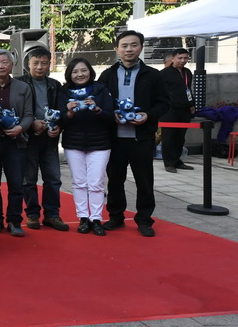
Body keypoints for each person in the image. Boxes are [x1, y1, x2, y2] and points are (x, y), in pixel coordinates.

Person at [97, 30, 170, 237]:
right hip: (115, 138)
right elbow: (101, 102)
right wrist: (111, 115)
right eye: (124, 46)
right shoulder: (108, 75)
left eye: (133, 45)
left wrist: (148, 115)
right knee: (115, 180)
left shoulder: (153, 75)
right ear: (117, 49)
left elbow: (164, 102)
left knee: (144, 181)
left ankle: (144, 220)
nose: (129, 49)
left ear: (141, 47)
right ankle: (116, 217)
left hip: (142, 138)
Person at [58, 58, 116, 236]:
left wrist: (97, 109)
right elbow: (59, 119)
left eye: (83, 70)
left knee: (96, 183)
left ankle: (96, 218)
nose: (80, 74)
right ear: (69, 74)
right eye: (75, 71)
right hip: (73, 143)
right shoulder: (64, 91)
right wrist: (69, 112)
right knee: (79, 182)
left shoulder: (101, 89)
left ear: (90, 71)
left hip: (100, 143)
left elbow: (111, 117)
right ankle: (83, 217)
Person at [0, 48, 34, 237]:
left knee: (16, 183)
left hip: (15, 141)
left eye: (4, 62)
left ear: (12, 65)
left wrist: (20, 128)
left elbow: (29, 115)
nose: (0, 66)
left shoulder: (23, 87)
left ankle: (14, 220)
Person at [17, 47, 68, 232]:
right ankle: (32, 214)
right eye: (36, 63)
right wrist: (30, 122)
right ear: (28, 63)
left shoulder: (55, 85)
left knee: (53, 178)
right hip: (28, 138)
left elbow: (62, 110)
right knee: (28, 179)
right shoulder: (19, 83)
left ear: (49, 64)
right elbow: (16, 109)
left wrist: (59, 126)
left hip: (49, 139)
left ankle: (52, 214)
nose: (40, 67)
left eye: (44, 63)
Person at [160, 47, 195, 172]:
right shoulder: (164, 73)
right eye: (180, 58)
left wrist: (191, 104)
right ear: (173, 58)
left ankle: (177, 160)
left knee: (180, 137)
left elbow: (188, 90)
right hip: (170, 110)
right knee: (169, 136)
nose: (183, 60)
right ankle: (168, 163)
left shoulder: (187, 72)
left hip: (184, 109)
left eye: (185, 58)